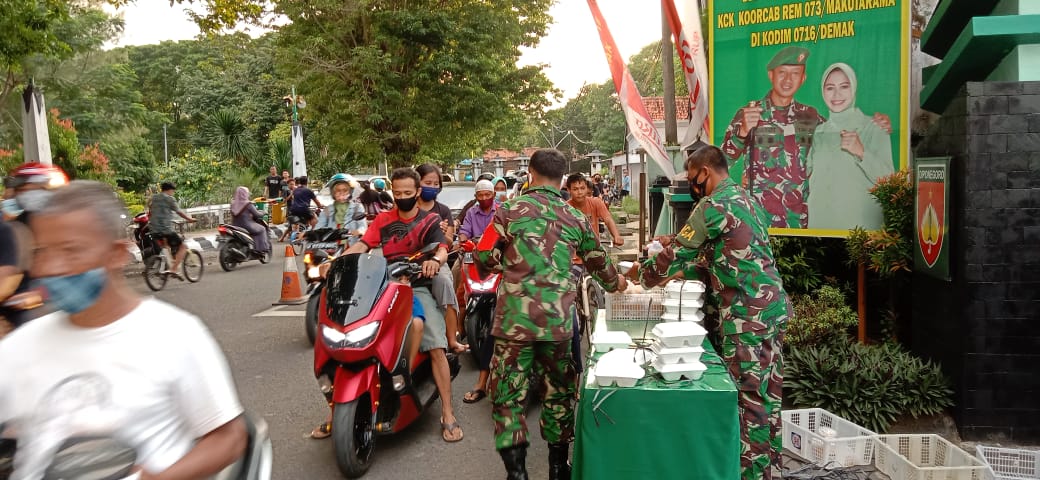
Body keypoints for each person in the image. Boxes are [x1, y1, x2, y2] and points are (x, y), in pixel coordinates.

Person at [0, 180, 246, 479]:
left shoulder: (175, 334)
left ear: (116, 254)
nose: (51, 267)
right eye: (42, 252)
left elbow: (229, 437)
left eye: (70, 251)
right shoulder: (16, 348)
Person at [639, 145, 790, 480]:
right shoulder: (745, 198)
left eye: (693, 179)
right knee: (768, 397)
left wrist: (644, 275)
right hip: (771, 310)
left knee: (748, 400)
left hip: (747, 316)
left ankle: (751, 473)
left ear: (703, 172)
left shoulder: (712, 205)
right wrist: (685, 265)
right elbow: (724, 255)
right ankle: (770, 470)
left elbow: (678, 252)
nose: (693, 186)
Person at [474, 148, 626, 480]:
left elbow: (482, 255)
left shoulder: (508, 210)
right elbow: (598, 262)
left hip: (514, 323)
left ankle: (517, 473)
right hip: (557, 324)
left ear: (530, 172)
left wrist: (508, 265)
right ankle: (558, 468)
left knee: (508, 397)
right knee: (559, 392)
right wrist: (619, 283)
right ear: (562, 179)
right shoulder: (575, 216)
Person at [339, 167, 463, 443]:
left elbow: (441, 247)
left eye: (408, 193)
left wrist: (436, 261)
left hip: (415, 288)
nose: (403, 197)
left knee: (435, 346)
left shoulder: (429, 219)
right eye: (397, 193)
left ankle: (447, 411)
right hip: (381, 289)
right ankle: (336, 411)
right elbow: (363, 245)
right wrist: (338, 261)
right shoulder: (382, 220)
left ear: (418, 192)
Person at [721, 46, 890, 229]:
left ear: (803, 78)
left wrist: (878, 123)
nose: (788, 80)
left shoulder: (811, 117)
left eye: (795, 73)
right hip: (760, 222)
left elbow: (837, 136)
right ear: (771, 75)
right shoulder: (749, 113)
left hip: (801, 223)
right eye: (782, 73)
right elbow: (722, 162)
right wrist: (742, 133)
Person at [807, 63, 894, 230]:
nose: (837, 94)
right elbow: (804, 173)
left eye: (844, 87)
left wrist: (861, 152)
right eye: (830, 88)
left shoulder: (874, 126)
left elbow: (891, 182)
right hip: (820, 227)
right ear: (823, 92)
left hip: (859, 231)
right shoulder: (819, 132)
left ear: (853, 88)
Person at [0, 163, 69, 330]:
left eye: (35, 188)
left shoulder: (64, 223)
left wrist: (40, 293)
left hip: (51, 297)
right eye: (23, 189)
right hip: (20, 301)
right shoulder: (15, 225)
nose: (27, 193)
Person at [416, 164, 467, 354]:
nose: (431, 186)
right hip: (410, 261)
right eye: (427, 182)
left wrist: (442, 231)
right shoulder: (408, 208)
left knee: (445, 282)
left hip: (437, 259)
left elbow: (448, 242)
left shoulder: (443, 210)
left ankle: (452, 339)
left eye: (435, 183)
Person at [456, 179, 498, 404]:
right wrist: (462, 241)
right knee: (458, 282)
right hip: (473, 256)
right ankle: (458, 326)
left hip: (495, 259)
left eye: (486, 195)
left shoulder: (502, 211)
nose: (483, 199)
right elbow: (463, 232)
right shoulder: (471, 213)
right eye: (479, 195)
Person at [148, 182, 197, 279]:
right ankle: (173, 270)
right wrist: (189, 219)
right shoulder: (170, 199)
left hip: (153, 229)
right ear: (170, 190)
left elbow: (151, 210)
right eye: (173, 191)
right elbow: (178, 212)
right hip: (165, 229)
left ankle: (166, 266)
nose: (173, 193)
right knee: (183, 246)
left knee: (166, 246)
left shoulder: (154, 198)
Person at [565, 173, 624, 248]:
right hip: (572, 251)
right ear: (568, 190)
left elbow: (608, 219)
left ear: (587, 188)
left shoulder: (596, 202)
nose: (579, 192)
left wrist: (616, 235)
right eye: (575, 189)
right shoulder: (564, 208)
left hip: (593, 251)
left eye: (582, 188)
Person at [315, 173, 366, 245]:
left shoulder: (357, 208)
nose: (341, 193)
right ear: (333, 193)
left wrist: (359, 231)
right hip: (331, 247)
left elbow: (363, 226)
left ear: (350, 192)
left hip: (351, 247)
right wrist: (307, 234)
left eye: (345, 190)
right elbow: (318, 228)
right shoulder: (327, 210)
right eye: (338, 190)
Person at [230, 186, 270, 255]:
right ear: (245, 194)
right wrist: (263, 212)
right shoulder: (248, 204)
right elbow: (257, 215)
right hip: (247, 225)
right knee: (262, 229)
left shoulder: (233, 203)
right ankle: (260, 249)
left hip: (235, 225)